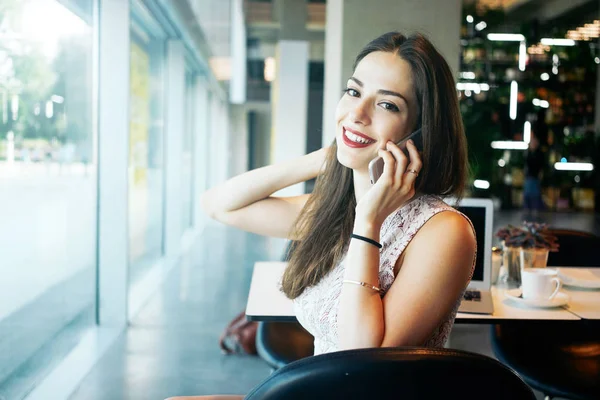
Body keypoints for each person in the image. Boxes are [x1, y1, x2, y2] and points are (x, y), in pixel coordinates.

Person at [167, 31, 477, 400]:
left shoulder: (444, 232)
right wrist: (328, 155)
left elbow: (363, 361)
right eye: (353, 91)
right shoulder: (336, 209)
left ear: (421, 130)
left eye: (388, 105)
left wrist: (368, 222)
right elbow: (220, 204)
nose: (358, 113)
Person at [523, 135, 545, 213]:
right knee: (527, 194)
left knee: (535, 195)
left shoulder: (539, 154)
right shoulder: (528, 153)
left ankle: (536, 210)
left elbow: (540, 165)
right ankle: (527, 209)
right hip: (529, 176)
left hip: (535, 176)